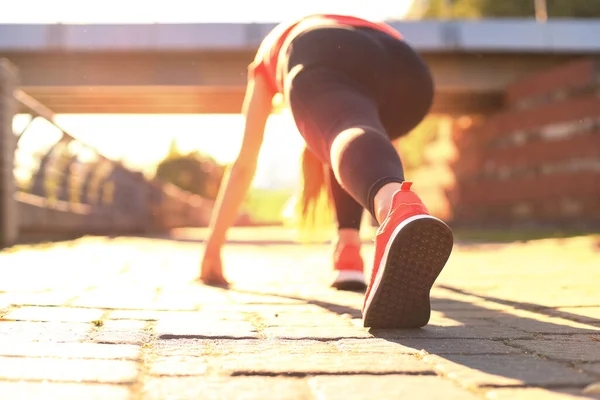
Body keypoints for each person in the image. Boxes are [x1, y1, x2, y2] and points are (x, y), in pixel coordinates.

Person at [199, 14, 454, 329]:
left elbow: (244, 162)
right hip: (409, 70)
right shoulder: (352, 27)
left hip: (318, 48)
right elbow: (380, 153)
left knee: (346, 129)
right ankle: (348, 254)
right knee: (359, 136)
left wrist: (211, 251)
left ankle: (398, 209)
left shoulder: (273, 49)